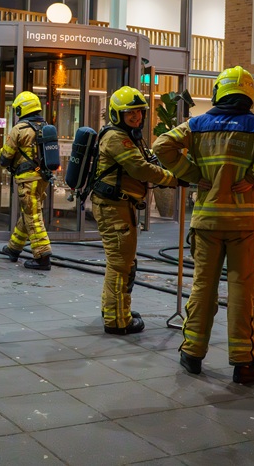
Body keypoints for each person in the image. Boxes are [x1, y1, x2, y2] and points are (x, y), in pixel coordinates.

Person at [153, 66, 254, 384]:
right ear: (248, 94)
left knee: (203, 286)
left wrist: (193, 174)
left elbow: (162, 146)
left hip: (207, 220)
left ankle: (191, 353)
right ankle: (245, 363)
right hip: (244, 223)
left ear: (218, 92)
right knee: (242, 290)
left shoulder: (198, 124)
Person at [92, 86, 181, 335]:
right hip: (114, 208)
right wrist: (174, 178)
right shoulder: (116, 137)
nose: (137, 117)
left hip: (119, 206)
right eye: (130, 113)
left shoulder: (129, 135)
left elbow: (146, 158)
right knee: (121, 265)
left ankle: (116, 309)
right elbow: (141, 168)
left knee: (122, 263)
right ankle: (117, 321)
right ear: (116, 114)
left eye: (139, 112)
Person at [0, 91, 52, 270]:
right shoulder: (44, 126)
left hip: (27, 180)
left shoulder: (19, 129)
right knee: (29, 212)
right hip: (41, 178)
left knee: (32, 215)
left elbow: (5, 157)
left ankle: (42, 255)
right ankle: (14, 248)